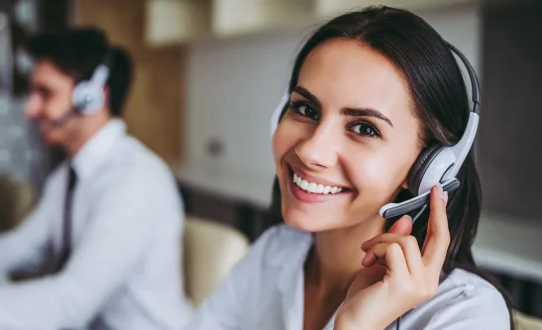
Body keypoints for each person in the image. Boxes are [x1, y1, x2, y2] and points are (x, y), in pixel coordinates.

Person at [184, 6, 513, 330]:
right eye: (305, 108)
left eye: (365, 128)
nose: (312, 150)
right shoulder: (275, 253)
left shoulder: (465, 315)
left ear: (430, 167)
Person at [0, 27, 193, 330]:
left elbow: (68, 304)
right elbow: (20, 249)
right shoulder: (71, 174)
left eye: (45, 93)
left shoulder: (134, 183)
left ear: (91, 97)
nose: (30, 109)